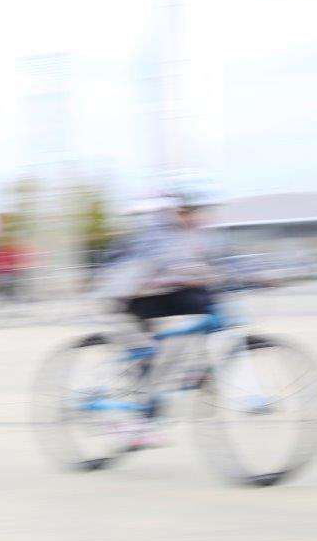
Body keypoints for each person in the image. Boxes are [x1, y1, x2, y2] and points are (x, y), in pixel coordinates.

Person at [94, 176, 226, 446]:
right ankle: (139, 419)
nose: (198, 218)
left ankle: (194, 368)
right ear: (176, 211)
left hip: (161, 293)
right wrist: (196, 274)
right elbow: (161, 260)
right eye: (189, 212)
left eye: (200, 212)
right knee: (152, 359)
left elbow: (222, 260)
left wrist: (256, 278)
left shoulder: (199, 234)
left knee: (206, 306)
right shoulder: (157, 231)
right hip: (128, 296)